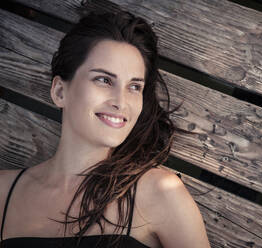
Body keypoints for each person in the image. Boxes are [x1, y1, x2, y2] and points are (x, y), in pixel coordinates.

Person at [0, 10, 211, 248]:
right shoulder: (4, 192)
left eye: (134, 86)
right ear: (60, 91)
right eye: (104, 80)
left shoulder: (160, 192)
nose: (120, 102)